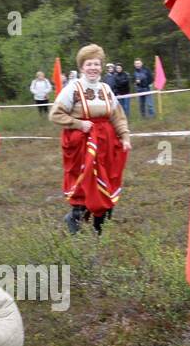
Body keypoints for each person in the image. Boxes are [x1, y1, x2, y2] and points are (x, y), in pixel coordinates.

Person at [49, 44, 132, 235]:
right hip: (81, 143)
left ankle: (100, 229)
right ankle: (75, 220)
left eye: (96, 64)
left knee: (106, 180)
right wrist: (78, 124)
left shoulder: (105, 89)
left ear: (101, 66)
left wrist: (125, 136)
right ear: (81, 67)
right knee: (85, 181)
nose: (93, 68)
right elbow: (55, 114)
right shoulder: (73, 89)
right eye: (89, 64)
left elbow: (117, 116)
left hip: (106, 143)